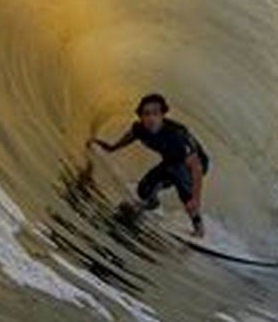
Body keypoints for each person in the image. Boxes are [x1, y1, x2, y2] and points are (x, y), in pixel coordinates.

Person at [86, 93, 211, 237]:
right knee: (143, 190)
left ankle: (198, 228)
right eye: (146, 114)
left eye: (155, 113)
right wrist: (111, 148)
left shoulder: (177, 135)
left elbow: (197, 167)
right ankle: (152, 203)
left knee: (180, 180)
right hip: (171, 162)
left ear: (162, 114)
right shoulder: (140, 129)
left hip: (195, 164)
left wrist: (195, 199)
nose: (151, 118)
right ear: (140, 116)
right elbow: (129, 137)